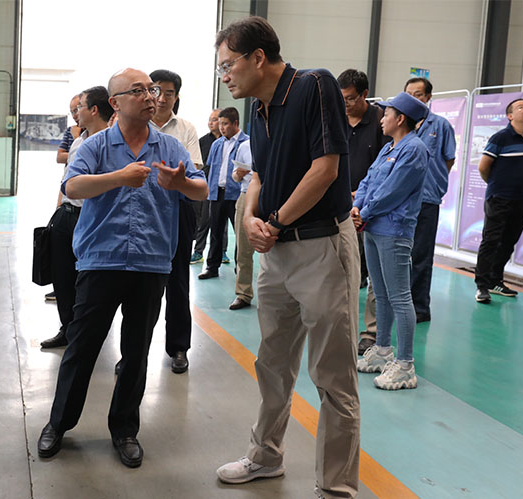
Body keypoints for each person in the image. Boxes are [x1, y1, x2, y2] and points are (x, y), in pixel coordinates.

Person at [212, 17, 361, 499]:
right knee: (273, 363)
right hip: (276, 252)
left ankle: (336, 487)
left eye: (228, 65)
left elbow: (326, 169)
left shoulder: (313, 85)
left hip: (321, 247)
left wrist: (273, 223)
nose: (224, 76)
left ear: (258, 57)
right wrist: (252, 216)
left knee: (333, 376)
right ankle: (265, 455)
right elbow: (258, 174)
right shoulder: (257, 111)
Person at [37, 68, 207, 469]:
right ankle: (58, 424)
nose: (150, 97)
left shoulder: (170, 147)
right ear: (115, 102)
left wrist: (180, 184)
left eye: (152, 90)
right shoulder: (95, 146)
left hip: (150, 263)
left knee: (135, 353)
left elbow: (200, 189)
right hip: (101, 260)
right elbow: (72, 187)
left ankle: (125, 430)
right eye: (138, 91)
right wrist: (118, 178)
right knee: (81, 348)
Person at [352, 92, 429, 391]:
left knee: (399, 296)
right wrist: (357, 207)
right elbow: (368, 180)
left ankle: (405, 365)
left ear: (400, 119)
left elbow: (393, 190)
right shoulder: (388, 148)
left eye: (386, 114)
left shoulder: (415, 150)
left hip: (394, 230)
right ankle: (383, 350)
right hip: (373, 226)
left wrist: (364, 212)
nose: (381, 119)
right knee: (380, 293)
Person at [40, 86, 113, 349]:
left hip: (93, 219)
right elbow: (67, 180)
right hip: (67, 215)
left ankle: (87, 334)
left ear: (94, 110)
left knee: (91, 281)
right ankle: (67, 329)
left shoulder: (113, 144)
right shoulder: (78, 141)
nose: (75, 114)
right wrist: (59, 209)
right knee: (63, 278)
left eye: (79, 108)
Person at [148, 68, 204, 373]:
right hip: (144, 210)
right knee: (140, 282)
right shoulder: (136, 125)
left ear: (176, 97)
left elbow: (193, 170)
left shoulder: (185, 129)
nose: (162, 98)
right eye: (156, 91)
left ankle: (179, 347)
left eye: (169, 93)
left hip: (178, 210)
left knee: (178, 280)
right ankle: (134, 349)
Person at [337, 69, 387, 354]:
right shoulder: (336, 119)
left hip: (373, 210)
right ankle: (341, 326)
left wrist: (363, 196)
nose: (345, 104)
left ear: (365, 94)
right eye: (341, 99)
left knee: (374, 276)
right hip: (341, 208)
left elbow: (387, 167)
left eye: (350, 98)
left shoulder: (381, 122)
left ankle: (371, 332)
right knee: (342, 270)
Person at [474, 98, 523, 303]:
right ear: (510, 116)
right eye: (521, 107)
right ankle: (482, 285)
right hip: (499, 199)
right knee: (491, 241)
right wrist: (495, 186)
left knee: (508, 242)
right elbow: (483, 167)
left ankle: (495, 281)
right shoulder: (501, 137)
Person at [404, 77, 456, 322]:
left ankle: (419, 307)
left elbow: (448, 159)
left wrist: (433, 182)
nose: (413, 99)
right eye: (409, 94)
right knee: (399, 254)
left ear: (428, 98)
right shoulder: (400, 123)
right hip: (400, 199)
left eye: (418, 94)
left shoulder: (441, 125)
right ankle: (400, 303)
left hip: (426, 198)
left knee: (421, 255)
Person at [198, 107, 249, 280]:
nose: (221, 127)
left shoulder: (246, 143)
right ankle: (212, 267)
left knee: (240, 235)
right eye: (220, 123)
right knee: (215, 232)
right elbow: (211, 168)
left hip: (237, 195)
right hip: (217, 194)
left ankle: (240, 270)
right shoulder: (217, 144)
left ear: (235, 123)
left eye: (225, 124)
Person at [46, 94, 84, 303]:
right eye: (72, 111)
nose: (75, 114)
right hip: (68, 202)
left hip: (86, 210)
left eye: (78, 109)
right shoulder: (72, 133)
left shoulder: (99, 138)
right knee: (63, 260)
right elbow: (60, 157)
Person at [191, 109, 224, 263]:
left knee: (221, 222)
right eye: (210, 119)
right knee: (203, 220)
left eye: (214, 119)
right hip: (205, 186)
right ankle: (198, 251)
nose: (211, 122)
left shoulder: (229, 141)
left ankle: (222, 252)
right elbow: (197, 163)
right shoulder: (203, 141)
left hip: (223, 188)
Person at [230, 137, 254, 310]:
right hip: (246, 195)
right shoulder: (245, 146)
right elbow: (234, 176)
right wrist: (238, 175)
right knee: (243, 249)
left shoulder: (280, 141)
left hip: (272, 195)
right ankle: (243, 293)